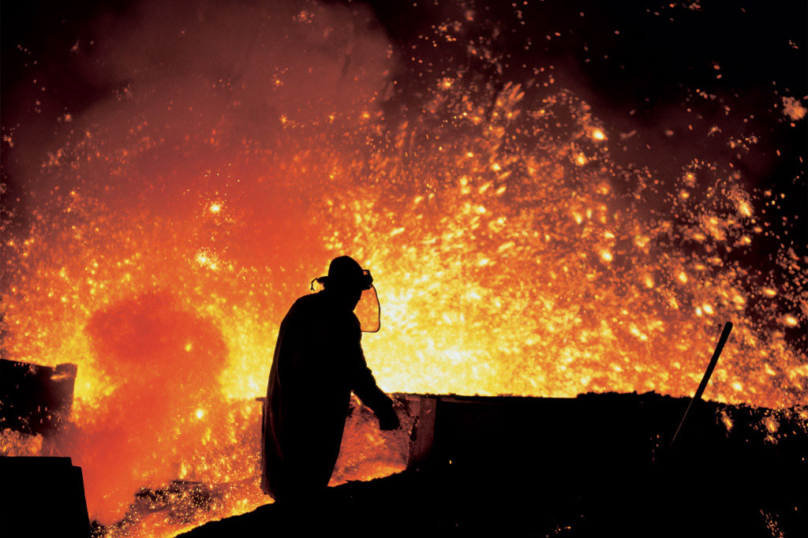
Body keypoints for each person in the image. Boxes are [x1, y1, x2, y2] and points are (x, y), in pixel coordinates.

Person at [261, 256, 400, 502]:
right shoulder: (340, 317)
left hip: (285, 408)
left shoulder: (302, 307)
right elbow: (355, 371)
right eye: (357, 289)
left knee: (288, 486)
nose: (358, 297)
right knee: (306, 489)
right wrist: (383, 407)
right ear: (345, 287)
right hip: (313, 416)